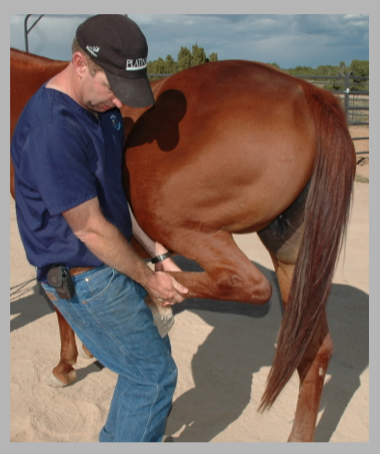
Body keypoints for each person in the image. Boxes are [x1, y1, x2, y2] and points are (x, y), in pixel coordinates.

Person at [11, 14, 189, 442]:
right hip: (85, 279)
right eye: (113, 87)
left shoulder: (102, 110)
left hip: (105, 267)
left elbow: (113, 198)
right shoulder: (53, 129)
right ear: (79, 64)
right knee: (153, 377)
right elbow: (90, 227)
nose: (119, 103)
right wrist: (148, 279)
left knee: (148, 365)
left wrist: (154, 247)